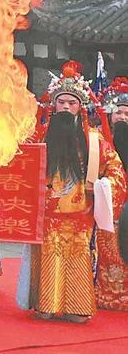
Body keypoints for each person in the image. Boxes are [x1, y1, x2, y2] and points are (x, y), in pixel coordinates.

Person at [17, 61, 126, 323]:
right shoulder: (40, 137)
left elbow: (117, 172)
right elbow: (21, 166)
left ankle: (76, 307)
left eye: (72, 103)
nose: (66, 107)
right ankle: (45, 304)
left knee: (78, 258)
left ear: (80, 107)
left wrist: (100, 187)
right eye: (61, 102)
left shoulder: (94, 141)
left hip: (80, 214)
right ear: (54, 105)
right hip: (48, 214)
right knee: (49, 256)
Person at [96, 76, 128, 310]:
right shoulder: (99, 139)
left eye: (127, 114)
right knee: (109, 255)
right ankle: (106, 294)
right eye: (119, 113)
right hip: (109, 209)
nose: (123, 118)